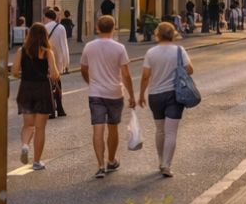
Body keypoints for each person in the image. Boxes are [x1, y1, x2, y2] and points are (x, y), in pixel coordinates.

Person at [80, 15, 134, 178]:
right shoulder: (119, 48)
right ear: (113, 28)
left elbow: (84, 69)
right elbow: (126, 74)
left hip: (96, 93)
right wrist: (132, 95)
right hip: (115, 93)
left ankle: (100, 165)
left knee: (98, 128)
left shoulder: (89, 47)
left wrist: (91, 82)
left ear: (97, 27)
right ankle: (111, 160)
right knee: (113, 127)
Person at [139, 22, 195, 177]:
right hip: (174, 95)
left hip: (155, 95)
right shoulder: (179, 50)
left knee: (160, 130)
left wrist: (141, 95)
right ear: (173, 34)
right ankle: (166, 165)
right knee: (170, 132)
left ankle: (160, 160)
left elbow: (145, 76)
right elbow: (190, 70)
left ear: (157, 34)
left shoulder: (151, 52)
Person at [15, 22, 56, 169]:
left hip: (26, 88)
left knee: (28, 125)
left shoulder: (21, 51)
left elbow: (14, 72)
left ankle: (25, 146)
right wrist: (48, 75)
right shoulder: (47, 52)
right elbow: (55, 74)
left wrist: (26, 74)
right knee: (40, 128)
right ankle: (37, 162)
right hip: (42, 89)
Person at [42, 7, 71, 117]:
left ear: (46, 17)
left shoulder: (43, 28)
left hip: (45, 59)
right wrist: (66, 63)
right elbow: (64, 45)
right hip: (57, 59)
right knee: (57, 83)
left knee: (47, 84)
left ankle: (51, 109)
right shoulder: (60, 28)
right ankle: (59, 107)